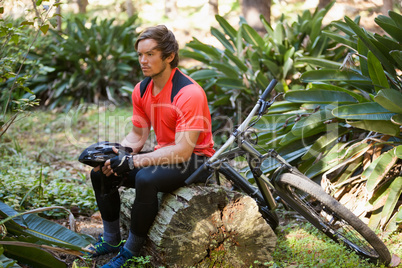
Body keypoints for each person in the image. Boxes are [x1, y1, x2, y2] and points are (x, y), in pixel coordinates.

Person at [88, 25, 215, 268]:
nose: (143, 61)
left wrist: (133, 161)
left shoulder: (189, 93)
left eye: (150, 54)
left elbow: (182, 151)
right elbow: (137, 135)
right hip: (165, 154)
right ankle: (112, 240)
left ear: (169, 56)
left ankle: (130, 251)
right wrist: (115, 154)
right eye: (140, 55)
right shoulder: (142, 89)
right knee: (100, 173)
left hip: (196, 160)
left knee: (146, 178)